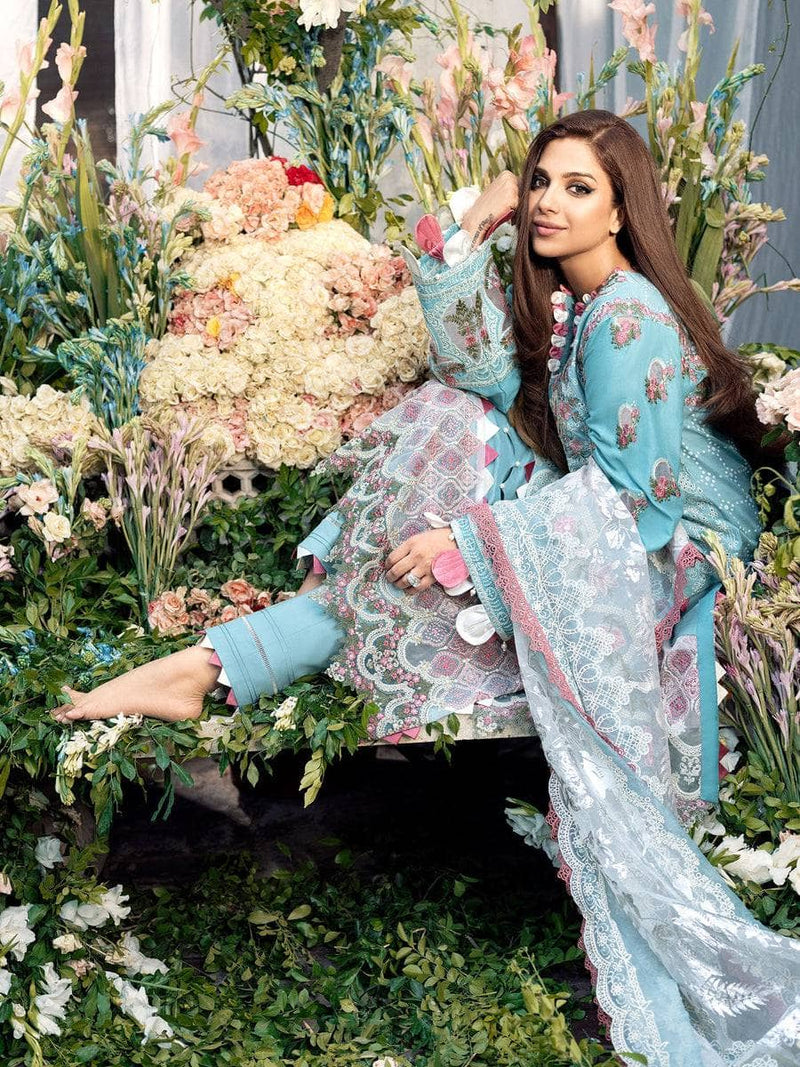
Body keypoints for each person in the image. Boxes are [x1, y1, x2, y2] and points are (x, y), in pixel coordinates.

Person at [52, 111, 800, 1063]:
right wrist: (471, 226)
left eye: (579, 188)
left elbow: (636, 505)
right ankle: (213, 665)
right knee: (452, 413)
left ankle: (213, 665)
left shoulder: (627, 316)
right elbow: (474, 369)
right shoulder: (577, 304)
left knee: (440, 554)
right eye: (541, 181)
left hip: (679, 550)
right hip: (602, 523)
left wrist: (472, 540)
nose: (549, 202)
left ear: (622, 212)